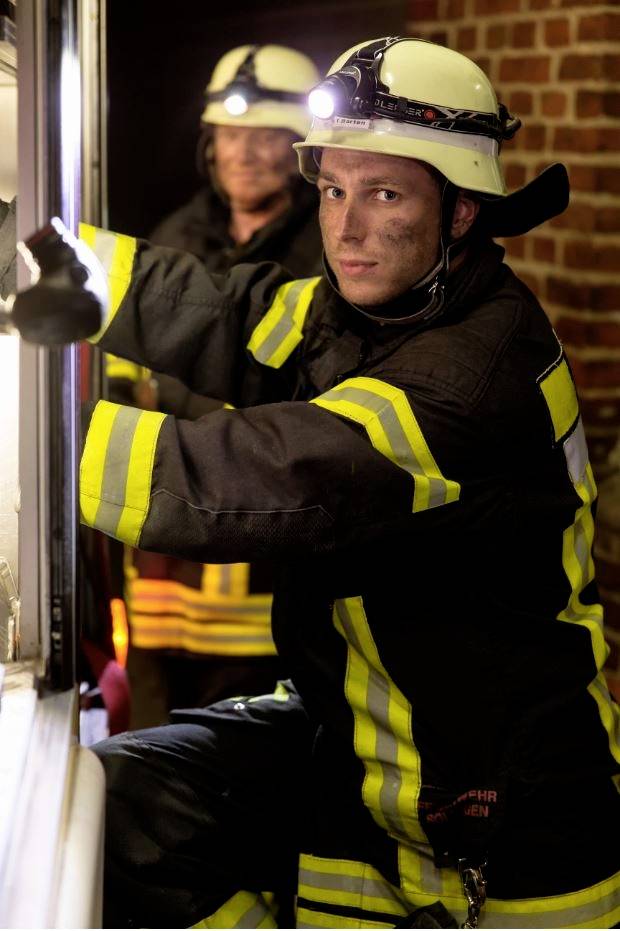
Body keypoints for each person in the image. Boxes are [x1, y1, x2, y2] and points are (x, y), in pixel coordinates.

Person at [72, 36, 620, 929]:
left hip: (502, 823)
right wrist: (46, 264)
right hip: (367, 754)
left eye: (386, 193)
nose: (346, 226)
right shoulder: (372, 306)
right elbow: (231, 310)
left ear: (463, 213)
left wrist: (31, 455)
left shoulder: (472, 377)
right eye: (332, 189)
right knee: (116, 807)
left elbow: (276, 475)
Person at [108, 44, 323, 726]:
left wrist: (179, 400)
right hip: (165, 570)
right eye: (232, 134)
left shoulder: (329, 249)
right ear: (209, 143)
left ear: (301, 151)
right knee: (152, 743)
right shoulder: (172, 240)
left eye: (268, 136)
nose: (247, 152)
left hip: (271, 584)